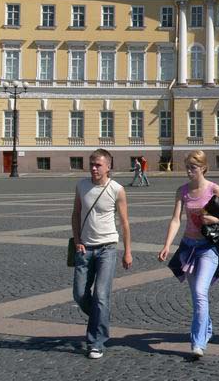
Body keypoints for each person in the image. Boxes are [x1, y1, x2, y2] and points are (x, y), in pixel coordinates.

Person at [158, 150, 219, 358]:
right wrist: (167, 245)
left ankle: (197, 343)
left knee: (200, 292)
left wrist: (215, 220)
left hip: (208, 248)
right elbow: (175, 220)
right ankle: (206, 329)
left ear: (203, 168)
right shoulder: (182, 191)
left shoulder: (214, 188)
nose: (189, 171)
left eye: (193, 168)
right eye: (188, 167)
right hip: (188, 248)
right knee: (197, 296)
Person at [71, 149, 133, 359]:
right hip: (84, 248)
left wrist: (128, 252)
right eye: (91, 164)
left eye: (98, 165)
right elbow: (76, 214)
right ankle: (102, 317)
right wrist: (78, 240)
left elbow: (124, 223)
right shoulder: (81, 185)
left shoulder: (117, 189)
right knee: (79, 294)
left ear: (108, 166)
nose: (94, 168)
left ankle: (96, 342)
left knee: (101, 295)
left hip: (107, 247)